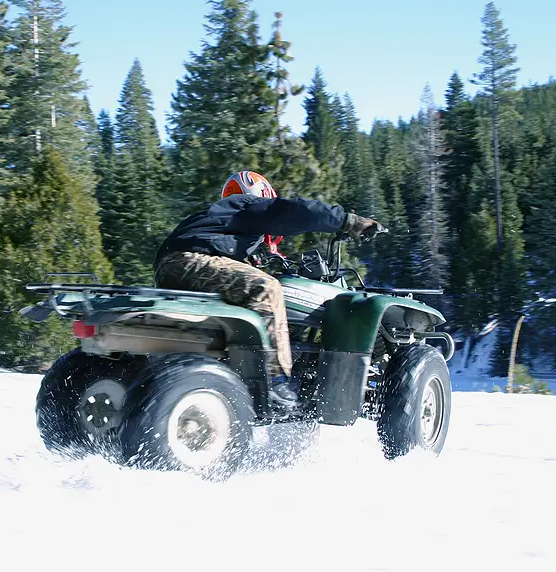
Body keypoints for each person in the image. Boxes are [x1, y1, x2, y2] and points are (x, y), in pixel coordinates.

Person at [153, 171, 386, 408]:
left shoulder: (215, 218)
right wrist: (349, 221)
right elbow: (295, 211)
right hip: (193, 260)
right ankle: (273, 380)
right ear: (262, 195)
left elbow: (224, 253)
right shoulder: (246, 204)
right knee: (266, 289)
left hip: (169, 270)